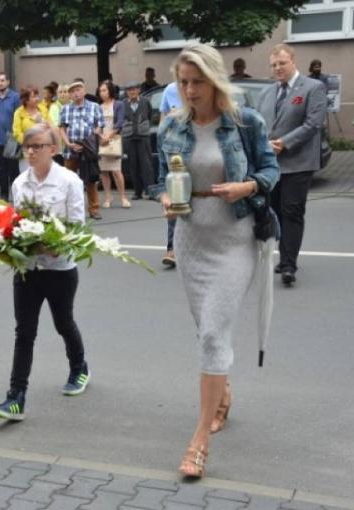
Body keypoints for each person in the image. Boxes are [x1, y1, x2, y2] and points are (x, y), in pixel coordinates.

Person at [154, 43, 279, 479]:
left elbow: (270, 170)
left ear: (214, 79)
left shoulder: (246, 122)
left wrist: (247, 188)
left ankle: (199, 441)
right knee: (206, 330)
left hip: (234, 240)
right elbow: (157, 180)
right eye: (183, 82)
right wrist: (166, 197)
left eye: (197, 81)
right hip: (190, 240)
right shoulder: (170, 126)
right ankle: (222, 395)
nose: (189, 90)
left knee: (211, 332)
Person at [0, 123, 90, 422]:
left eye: (37, 146)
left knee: (63, 323)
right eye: (27, 147)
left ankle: (79, 366)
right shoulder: (20, 183)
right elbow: (16, 224)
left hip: (60, 269)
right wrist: (7, 245)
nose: (31, 152)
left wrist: (57, 246)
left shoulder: (70, 181)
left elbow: (77, 226)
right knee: (24, 332)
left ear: (53, 149)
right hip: (28, 270)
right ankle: (16, 397)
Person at [257, 43, 327, 287]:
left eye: (282, 63)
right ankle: (282, 255)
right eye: (274, 65)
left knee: (292, 211)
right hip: (271, 164)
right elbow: (260, 125)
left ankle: (288, 264)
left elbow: (313, 124)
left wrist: (284, 143)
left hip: (298, 162)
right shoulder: (267, 93)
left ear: (293, 61)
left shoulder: (313, 87)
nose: (277, 68)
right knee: (273, 212)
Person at [59, 79, 104, 220]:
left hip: (88, 149)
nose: (76, 93)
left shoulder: (95, 106)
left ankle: (94, 209)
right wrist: (68, 144)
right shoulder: (65, 108)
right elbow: (62, 128)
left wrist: (92, 137)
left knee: (91, 179)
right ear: (70, 95)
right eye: (72, 91)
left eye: (78, 90)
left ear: (84, 91)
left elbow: (100, 125)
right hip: (71, 150)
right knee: (68, 181)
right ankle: (67, 209)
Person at [159, 81, 183, 268]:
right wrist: (162, 139)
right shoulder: (170, 89)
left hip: (198, 149)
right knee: (174, 199)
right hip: (174, 150)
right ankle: (171, 249)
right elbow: (163, 117)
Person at [0, 72, 21, 201]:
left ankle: (16, 194)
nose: (0, 83)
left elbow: (19, 116)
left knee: (13, 169)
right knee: (1, 170)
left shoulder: (15, 97)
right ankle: (3, 195)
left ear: (7, 82)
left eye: (2, 80)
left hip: (12, 139)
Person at [97, 80, 129, 208]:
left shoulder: (118, 104)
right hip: (101, 140)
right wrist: (100, 136)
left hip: (114, 139)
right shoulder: (98, 107)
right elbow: (97, 125)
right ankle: (108, 198)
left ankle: (123, 197)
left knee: (116, 170)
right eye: (100, 91)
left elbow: (120, 122)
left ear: (110, 90)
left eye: (104, 90)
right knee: (104, 171)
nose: (102, 93)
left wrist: (108, 136)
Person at [121, 80, 154, 200]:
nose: (132, 92)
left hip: (143, 136)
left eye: (134, 89)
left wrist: (143, 126)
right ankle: (137, 192)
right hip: (129, 137)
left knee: (147, 164)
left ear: (138, 90)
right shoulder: (123, 104)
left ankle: (150, 191)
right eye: (129, 90)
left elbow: (150, 115)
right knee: (133, 165)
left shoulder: (145, 102)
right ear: (126, 92)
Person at [13, 85, 51, 172]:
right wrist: (30, 143)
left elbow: (51, 127)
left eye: (37, 96)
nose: (37, 98)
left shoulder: (43, 109)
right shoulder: (19, 113)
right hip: (27, 150)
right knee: (27, 175)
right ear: (26, 99)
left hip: (43, 149)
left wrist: (41, 120)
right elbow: (17, 133)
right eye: (34, 96)